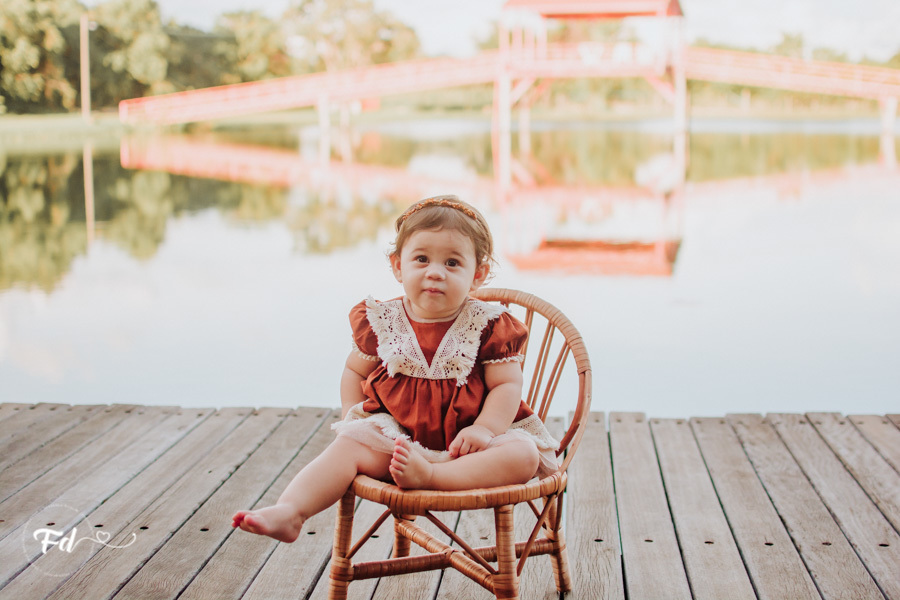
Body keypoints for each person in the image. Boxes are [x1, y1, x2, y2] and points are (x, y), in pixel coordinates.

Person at [231, 195, 558, 543]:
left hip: (469, 446)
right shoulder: (382, 321)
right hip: (399, 440)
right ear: (398, 266)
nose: (435, 271)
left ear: (477, 274)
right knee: (345, 449)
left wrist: (485, 429)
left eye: (452, 262)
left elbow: (506, 385)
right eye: (421, 259)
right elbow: (355, 372)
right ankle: (291, 511)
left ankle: (432, 475)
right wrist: (353, 421)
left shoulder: (489, 324)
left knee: (522, 455)